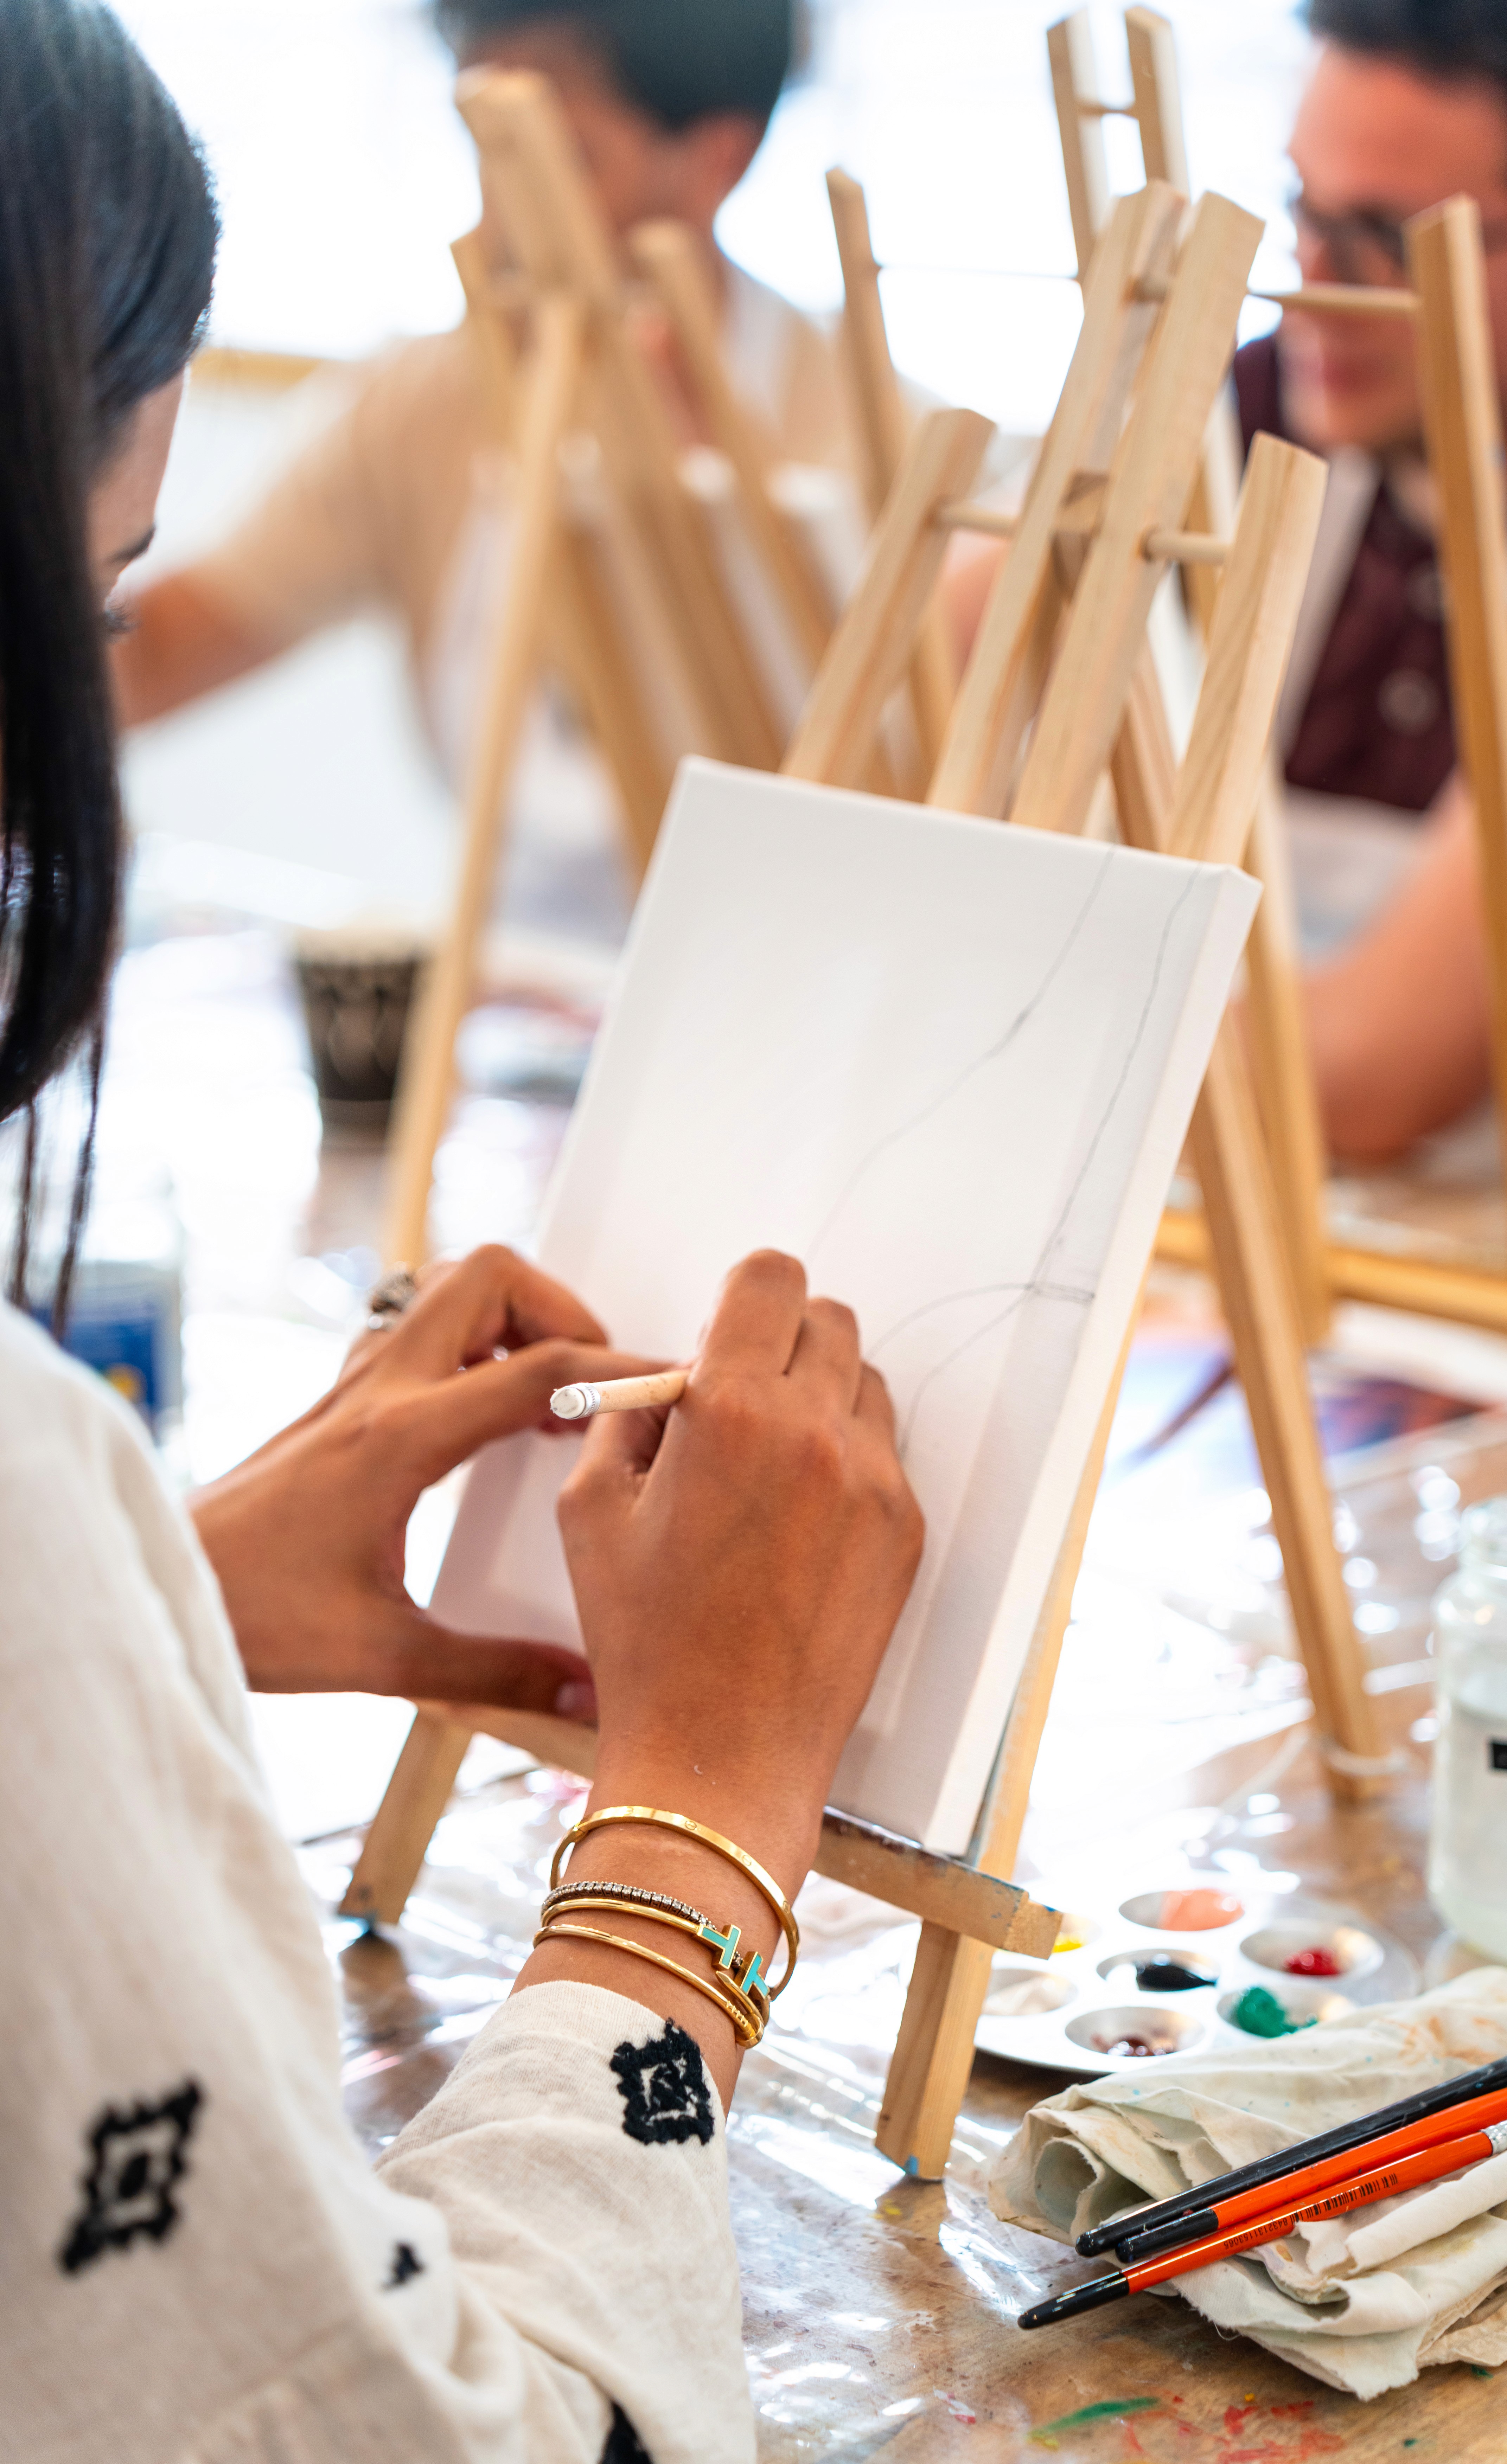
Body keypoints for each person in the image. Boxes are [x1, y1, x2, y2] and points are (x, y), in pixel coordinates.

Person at [0, 6, 922, 2455]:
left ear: (705, 161)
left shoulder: (880, 442)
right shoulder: (439, 399)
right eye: (82, 617)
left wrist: (147, 1601)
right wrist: (699, 1837)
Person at [110, 0, 861, 953]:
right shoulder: (429, 398)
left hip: (788, 972)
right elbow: (171, 645)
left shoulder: (861, 430)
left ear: (718, 156)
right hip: (508, 977)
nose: (500, 216)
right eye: (485, 152)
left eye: (567, 158)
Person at [1237, 0, 1507, 1182]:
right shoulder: (1268, 397)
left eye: (1387, 239)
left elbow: (1374, 1071)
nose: (1314, 288)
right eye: (1302, 209)